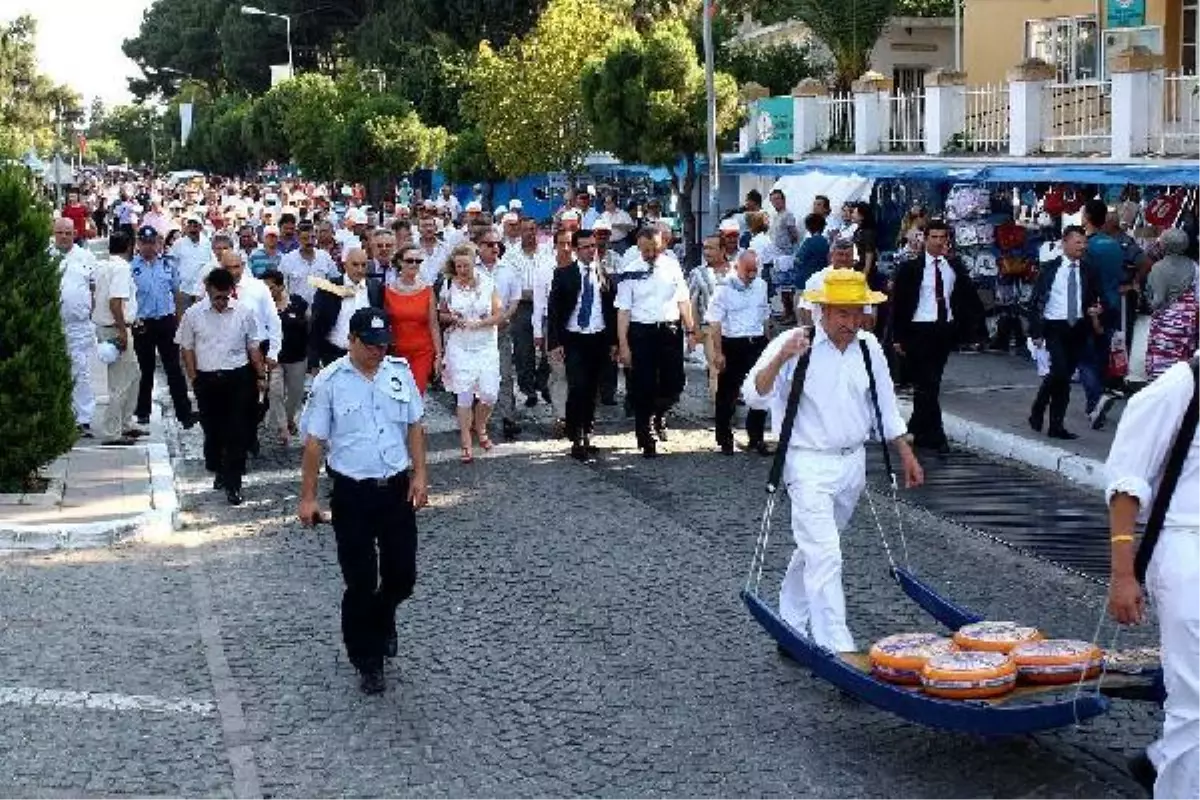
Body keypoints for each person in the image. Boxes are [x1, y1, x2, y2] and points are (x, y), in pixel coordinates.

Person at [743, 269, 924, 652]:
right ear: (822, 311)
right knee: (826, 555)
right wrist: (781, 359)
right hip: (807, 463)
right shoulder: (795, 343)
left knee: (816, 548)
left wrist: (905, 451)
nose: (851, 321)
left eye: (857, 312)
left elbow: (885, 406)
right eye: (842, 313)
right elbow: (754, 395)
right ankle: (838, 650)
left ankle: (790, 624)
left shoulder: (869, 346)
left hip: (852, 464)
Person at [298, 307, 429, 696]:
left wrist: (420, 475)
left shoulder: (398, 372)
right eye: (370, 344)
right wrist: (307, 497)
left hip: (395, 489)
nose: (378, 351)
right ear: (351, 340)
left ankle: (384, 614)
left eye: (383, 343)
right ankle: (367, 659)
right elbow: (314, 443)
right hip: (352, 492)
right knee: (360, 581)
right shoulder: (330, 381)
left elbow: (415, 426)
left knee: (402, 575)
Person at [1106, 357, 1200, 797]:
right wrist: (1124, 575)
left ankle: (1158, 761)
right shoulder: (1181, 385)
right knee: (1194, 703)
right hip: (1187, 549)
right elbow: (1127, 483)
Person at [890, 219, 983, 457]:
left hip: (944, 329)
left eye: (943, 237)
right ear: (925, 239)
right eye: (935, 237)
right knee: (926, 383)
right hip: (918, 330)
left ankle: (915, 431)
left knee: (930, 385)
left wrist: (971, 328)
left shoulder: (954, 266)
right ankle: (936, 436)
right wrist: (897, 336)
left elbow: (966, 297)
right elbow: (899, 304)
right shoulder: (911, 268)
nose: (939, 242)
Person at [176, 267, 265, 506]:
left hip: (238, 378)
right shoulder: (193, 315)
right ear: (208, 291)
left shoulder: (243, 313)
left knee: (237, 431)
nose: (222, 302)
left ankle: (234, 483)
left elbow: (253, 346)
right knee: (213, 432)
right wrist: (194, 378)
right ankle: (219, 468)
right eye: (217, 297)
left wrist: (260, 374)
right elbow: (187, 348)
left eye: (226, 297)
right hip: (207, 380)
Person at [616, 228, 698, 458]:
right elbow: (623, 310)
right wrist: (623, 344)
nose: (649, 253)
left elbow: (683, 299)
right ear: (638, 247)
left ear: (662, 245)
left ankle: (658, 413)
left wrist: (691, 329)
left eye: (654, 248)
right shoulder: (630, 271)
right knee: (643, 385)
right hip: (641, 331)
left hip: (669, 330)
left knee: (675, 384)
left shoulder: (672, 267)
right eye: (645, 249)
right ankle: (644, 433)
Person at [546, 229, 616, 462]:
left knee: (593, 388)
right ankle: (575, 435)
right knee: (577, 386)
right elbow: (554, 311)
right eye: (585, 246)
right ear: (576, 249)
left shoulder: (604, 274)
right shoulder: (564, 274)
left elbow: (612, 311)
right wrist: (554, 342)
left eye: (593, 246)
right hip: (574, 337)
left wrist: (614, 341)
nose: (590, 250)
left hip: (597, 336)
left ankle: (588, 432)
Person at [1027, 227, 1102, 440]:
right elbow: (1035, 302)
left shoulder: (1088, 270)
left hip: (1077, 326)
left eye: (1084, 243)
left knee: (1064, 377)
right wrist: (1036, 331)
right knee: (1058, 371)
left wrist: (1095, 310)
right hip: (1054, 325)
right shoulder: (1050, 269)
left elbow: (1095, 297)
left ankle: (1056, 425)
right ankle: (1039, 407)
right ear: (1065, 243)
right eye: (1078, 242)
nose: (1082, 247)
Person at [439, 244, 503, 463]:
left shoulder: (488, 283)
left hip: (485, 344)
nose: (462, 270)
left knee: (489, 394)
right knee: (464, 394)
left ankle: (480, 424)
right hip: (460, 345)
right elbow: (441, 314)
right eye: (458, 266)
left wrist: (481, 323)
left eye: (465, 265)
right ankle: (466, 440)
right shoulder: (449, 285)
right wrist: (454, 318)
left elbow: (499, 314)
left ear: (474, 262)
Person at [708, 250, 770, 456]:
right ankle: (724, 437)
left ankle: (756, 437)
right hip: (733, 342)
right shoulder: (724, 288)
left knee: (761, 390)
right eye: (748, 271)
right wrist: (718, 352)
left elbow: (765, 315)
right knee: (728, 392)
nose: (752, 275)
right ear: (737, 268)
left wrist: (768, 343)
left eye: (755, 270)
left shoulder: (761, 285)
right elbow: (715, 322)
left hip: (756, 341)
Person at [91, 231, 143, 446]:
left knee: (133, 374)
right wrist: (122, 330)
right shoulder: (121, 268)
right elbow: (115, 303)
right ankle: (113, 431)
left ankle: (125, 422)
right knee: (120, 381)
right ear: (130, 246)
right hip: (115, 328)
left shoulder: (103, 266)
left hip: (109, 326)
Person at [474, 228, 524, 441]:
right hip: (476, 332)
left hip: (501, 331)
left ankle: (508, 417)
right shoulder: (471, 270)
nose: (496, 248)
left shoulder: (508, 269)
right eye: (490, 244)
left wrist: (504, 318)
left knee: (504, 374)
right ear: (479, 246)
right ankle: (475, 419)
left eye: (497, 244)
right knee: (475, 377)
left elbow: (515, 299)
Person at [51, 217, 97, 437]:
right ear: (54, 232)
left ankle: (83, 419)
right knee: (54, 372)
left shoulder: (86, 257)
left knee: (80, 371)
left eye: (68, 233)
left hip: (78, 325)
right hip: (51, 324)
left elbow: (95, 286)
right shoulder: (44, 256)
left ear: (75, 234)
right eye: (60, 232)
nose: (64, 237)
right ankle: (58, 417)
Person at [308, 248, 384, 371]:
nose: (359, 269)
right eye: (355, 264)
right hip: (333, 355)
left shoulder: (375, 288)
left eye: (363, 265)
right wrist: (314, 360)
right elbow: (316, 324)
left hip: (366, 357)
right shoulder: (329, 288)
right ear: (345, 265)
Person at [384, 245, 441, 395]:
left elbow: (434, 325)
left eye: (418, 261)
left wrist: (439, 355)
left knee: (416, 394)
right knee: (397, 395)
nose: (414, 264)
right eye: (410, 260)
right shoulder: (387, 291)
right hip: (396, 352)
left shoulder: (428, 291)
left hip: (422, 352)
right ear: (400, 262)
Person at [261, 269, 309, 445]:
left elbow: (308, 327)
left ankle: (289, 419)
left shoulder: (298, 303)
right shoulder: (262, 307)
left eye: (271, 287)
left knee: (295, 393)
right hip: (274, 358)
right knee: (275, 391)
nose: (268, 292)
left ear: (281, 286)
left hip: (296, 357)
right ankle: (282, 427)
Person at [1144, 228, 1199, 381]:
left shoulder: (1158, 268)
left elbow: (1158, 300)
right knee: (1183, 358)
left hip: (1166, 321)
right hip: (1189, 320)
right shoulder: (1194, 267)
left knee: (1163, 359)